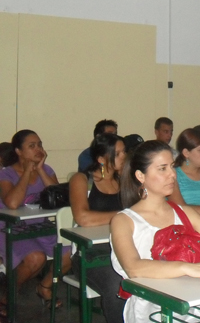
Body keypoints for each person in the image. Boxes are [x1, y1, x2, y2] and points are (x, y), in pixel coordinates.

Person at [110, 140, 200, 323]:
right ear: (140, 176)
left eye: (172, 166)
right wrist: (187, 267)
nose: (172, 174)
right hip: (155, 305)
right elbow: (134, 268)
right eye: (162, 169)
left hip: (197, 297)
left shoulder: (184, 212)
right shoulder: (124, 221)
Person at [0, 130, 71, 309]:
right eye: (32, 146)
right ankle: (9, 293)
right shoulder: (6, 174)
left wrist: (39, 170)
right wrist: (26, 172)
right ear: (18, 151)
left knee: (69, 253)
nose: (38, 149)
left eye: (40, 144)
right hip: (10, 227)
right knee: (35, 258)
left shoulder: (46, 170)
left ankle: (44, 287)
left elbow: (60, 199)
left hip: (40, 225)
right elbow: (12, 203)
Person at [69, 133, 127, 323]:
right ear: (101, 159)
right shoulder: (82, 179)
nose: (124, 157)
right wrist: (123, 215)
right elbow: (83, 218)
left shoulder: (124, 180)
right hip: (91, 254)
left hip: (123, 247)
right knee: (117, 286)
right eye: (118, 154)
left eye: (124, 152)